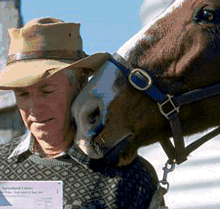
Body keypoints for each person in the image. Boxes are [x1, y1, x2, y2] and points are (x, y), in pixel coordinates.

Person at [0, 17, 159, 208]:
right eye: (23, 94)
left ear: (81, 81)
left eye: (47, 91)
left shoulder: (129, 175)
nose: (35, 108)